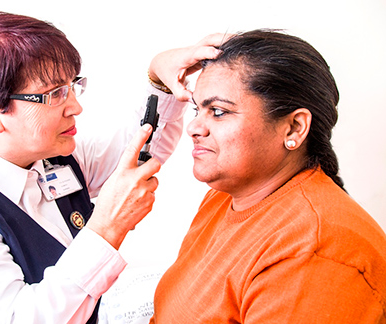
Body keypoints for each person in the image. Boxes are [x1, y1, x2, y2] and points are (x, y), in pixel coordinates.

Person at [0, 11, 223, 324]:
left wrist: (160, 82)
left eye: (73, 85)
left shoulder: (54, 156)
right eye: (55, 94)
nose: (75, 106)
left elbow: (138, 153)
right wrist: (107, 228)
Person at [149, 29, 386, 323]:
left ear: (294, 128)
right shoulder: (224, 198)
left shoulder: (316, 251)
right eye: (198, 110)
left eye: (219, 112)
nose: (195, 128)